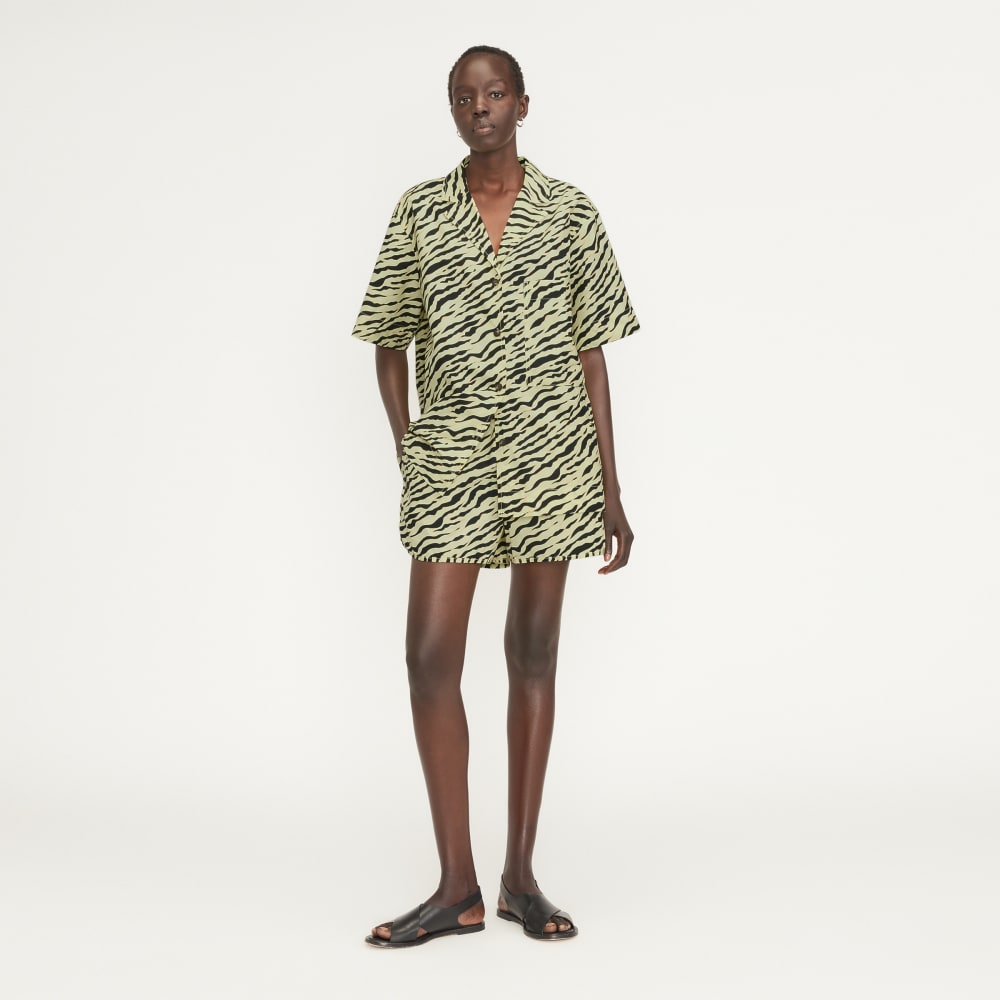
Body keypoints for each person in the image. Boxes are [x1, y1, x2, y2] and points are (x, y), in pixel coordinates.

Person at [352, 44, 639, 948]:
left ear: (522, 103)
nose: (479, 107)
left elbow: (593, 352)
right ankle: (456, 888)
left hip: (554, 460)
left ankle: (519, 879)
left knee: (533, 653)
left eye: (494, 93)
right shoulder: (419, 213)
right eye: (463, 96)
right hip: (455, 463)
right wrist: (413, 450)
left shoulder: (571, 212)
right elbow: (387, 341)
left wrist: (611, 486)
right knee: (429, 658)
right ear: (452, 110)